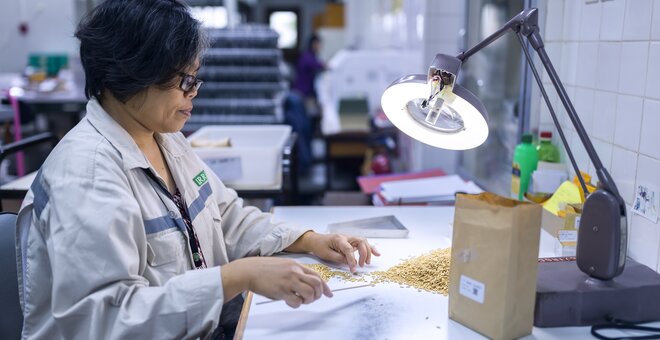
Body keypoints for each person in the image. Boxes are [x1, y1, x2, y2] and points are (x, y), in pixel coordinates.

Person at [14, 1, 379, 339]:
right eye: (184, 81)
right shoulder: (88, 176)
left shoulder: (163, 137)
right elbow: (105, 319)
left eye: (195, 78)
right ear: (133, 74)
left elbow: (226, 214)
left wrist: (310, 240)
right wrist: (236, 276)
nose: (195, 92)